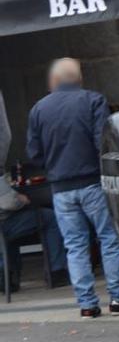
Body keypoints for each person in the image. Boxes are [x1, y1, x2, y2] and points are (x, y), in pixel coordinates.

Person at [27, 58, 119, 317]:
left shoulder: (38, 109)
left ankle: (87, 304)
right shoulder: (93, 101)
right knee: (109, 239)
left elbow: (34, 154)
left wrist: (54, 165)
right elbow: (102, 144)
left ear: (54, 81)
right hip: (93, 182)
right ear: (78, 78)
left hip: (60, 189)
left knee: (75, 245)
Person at [1, 88, 68, 293]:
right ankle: (57, 272)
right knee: (51, 217)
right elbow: (7, 202)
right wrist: (21, 199)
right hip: (4, 223)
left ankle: (9, 276)